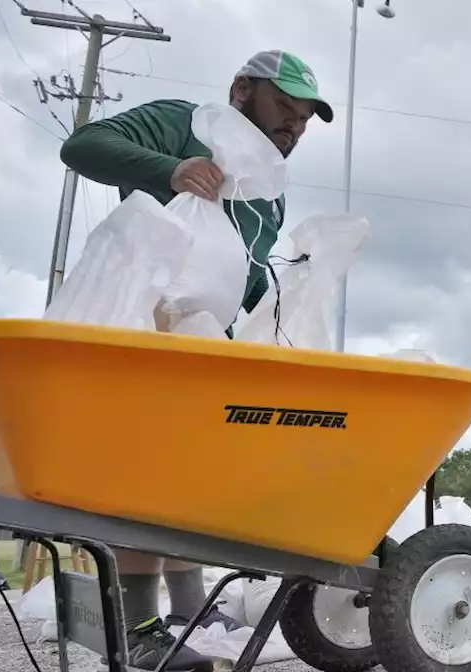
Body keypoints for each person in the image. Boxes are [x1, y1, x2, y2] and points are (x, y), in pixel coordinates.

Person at [59, 50, 333, 670]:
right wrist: (173, 168)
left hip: (208, 345)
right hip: (142, 323)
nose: (292, 126)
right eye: (282, 108)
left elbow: (247, 275)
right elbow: (84, 146)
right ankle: (137, 625)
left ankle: (188, 609)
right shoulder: (185, 123)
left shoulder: (269, 194)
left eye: (303, 119)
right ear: (242, 90)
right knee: (144, 472)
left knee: (187, 477)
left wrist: (289, 303)